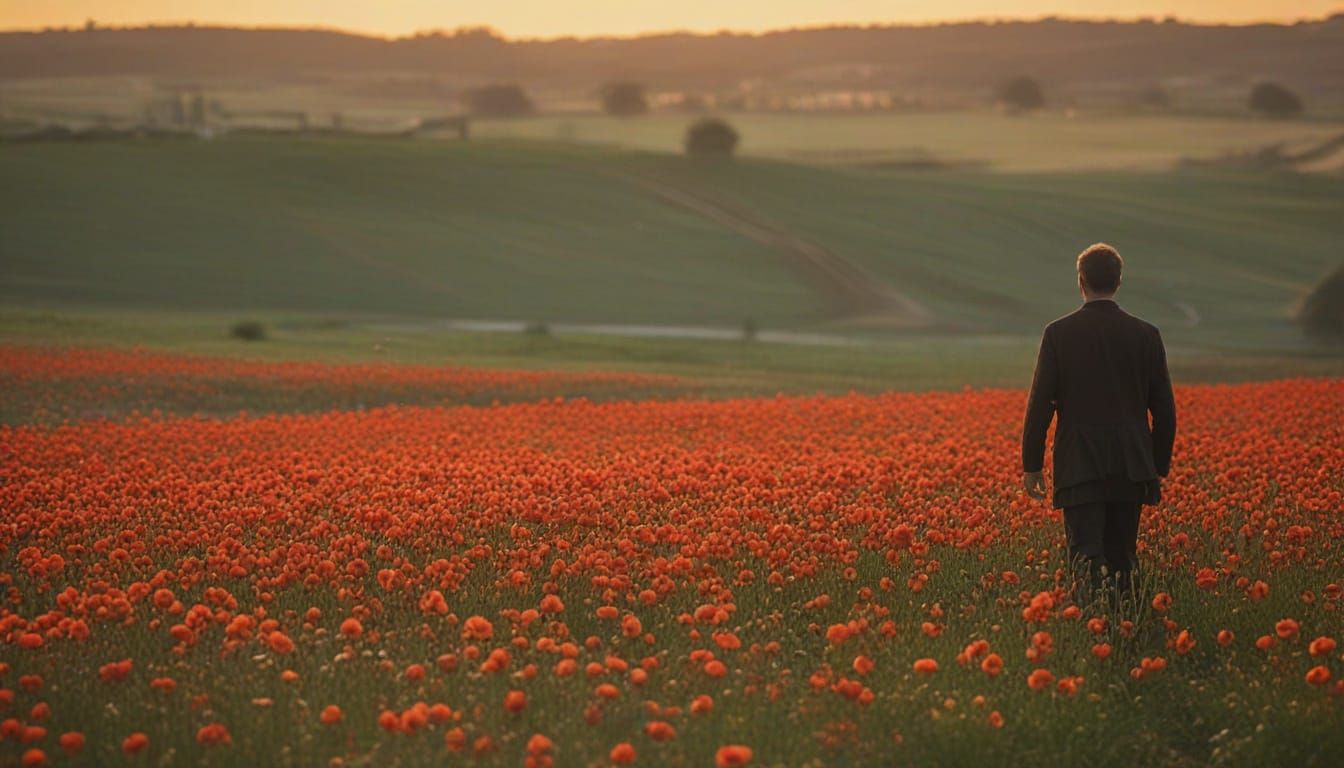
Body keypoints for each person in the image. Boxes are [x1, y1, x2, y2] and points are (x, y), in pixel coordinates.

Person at [1021, 243, 1177, 605]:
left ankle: (1091, 625)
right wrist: (1156, 465)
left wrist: (1032, 464)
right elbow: (1165, 411)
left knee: (1085, 558)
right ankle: (1127, 625)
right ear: (1119, 281)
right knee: (1123, 559)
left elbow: (1040, 405)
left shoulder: (1058, 334)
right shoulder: (1146, 335)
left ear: (1081, 281)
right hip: (1131, 465)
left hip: (1080, 465)